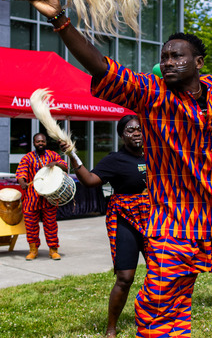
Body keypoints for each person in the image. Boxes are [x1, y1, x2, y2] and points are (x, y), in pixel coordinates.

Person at [26, 0, 212, 338]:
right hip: (174, 218)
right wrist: (60, 19)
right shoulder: (151, 94)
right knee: (160, 302)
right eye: (163, 57)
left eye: (176, 56)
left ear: (199, 62)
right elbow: (101, 67)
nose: (167, 63)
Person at [60, 115, 148, 338]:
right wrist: (72, 155)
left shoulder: (156, 156)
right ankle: (111, 328)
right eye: (130, 130)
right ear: (121, 135)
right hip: (125, 221)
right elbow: (89, 180)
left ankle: (158, 317)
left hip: (154, 221)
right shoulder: (115, 159)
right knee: (125, 277)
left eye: (140, 129)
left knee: (161, 273)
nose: (136, 133)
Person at [16, 133, 68, 261]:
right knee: (30, 225)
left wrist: (55, 163)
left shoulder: (52, 155)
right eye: (38, 141)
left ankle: (53, 250)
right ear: (34, 143)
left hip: (49, 197)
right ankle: (33, 250)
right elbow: (21, 172)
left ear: (46, 142)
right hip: (31, 197)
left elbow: (65, 167)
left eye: (43, 141)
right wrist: (22, 182)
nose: (40, 143)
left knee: (50, 224)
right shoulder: (27, 157)